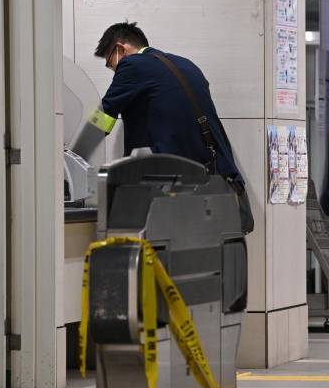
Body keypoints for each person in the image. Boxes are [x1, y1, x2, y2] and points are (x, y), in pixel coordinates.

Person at [88, 22, 253, 232]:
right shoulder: (187, 65)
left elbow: (104, 115)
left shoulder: (133, 65)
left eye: (110, 63)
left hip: (171, 187)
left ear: (121, 49)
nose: (113, 70)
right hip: (211, 180)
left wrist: (74, 152)